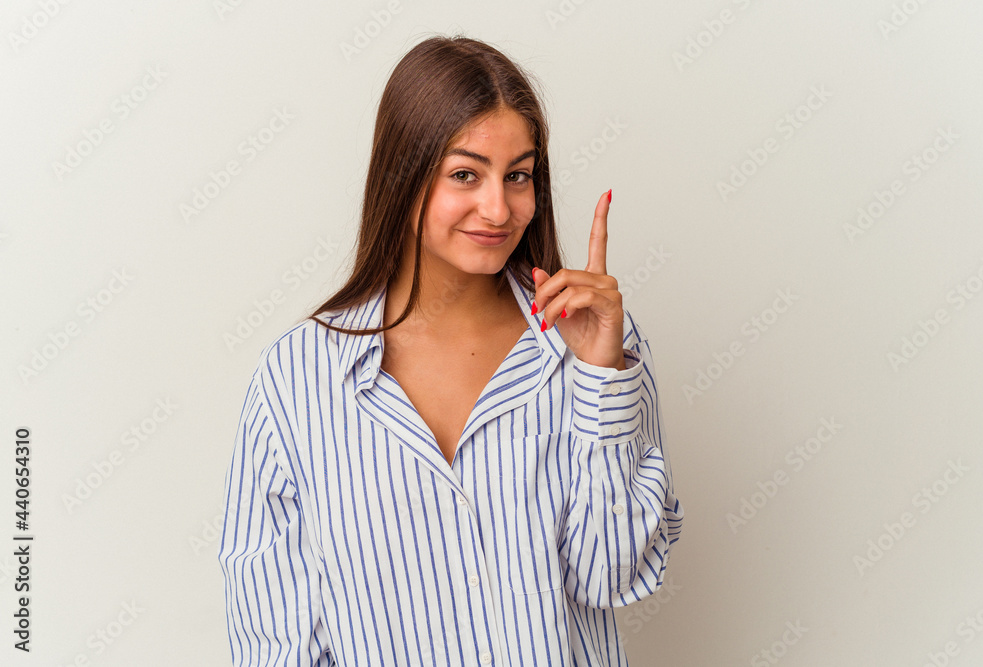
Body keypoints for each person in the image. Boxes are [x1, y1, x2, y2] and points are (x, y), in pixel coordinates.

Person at [217, 34, 683, 666]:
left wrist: (602, 375)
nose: (498, 208)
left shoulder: (598, 348)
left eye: (518, 176)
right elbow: (276, 636)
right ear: (404, 175)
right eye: (466, 174)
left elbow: (612, 576)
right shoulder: (299, 377)